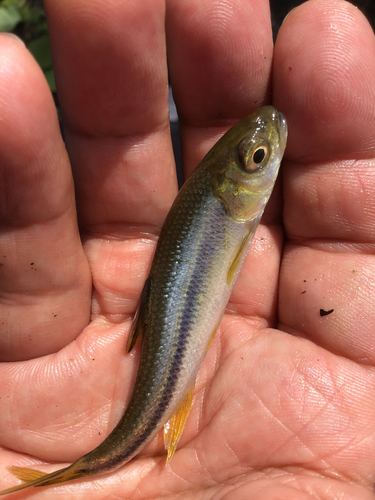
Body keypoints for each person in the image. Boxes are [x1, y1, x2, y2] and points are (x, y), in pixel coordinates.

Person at [0, 0, 374, 498]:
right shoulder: (223, 210)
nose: (269, 149)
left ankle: (74, 470)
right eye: (256, 158)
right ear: (228, 189)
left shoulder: (220, 203)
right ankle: (72, 471)